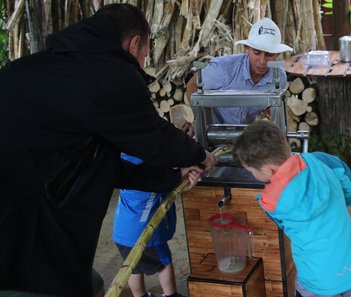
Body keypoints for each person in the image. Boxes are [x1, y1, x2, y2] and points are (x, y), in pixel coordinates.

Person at [0, 4, 217, 297]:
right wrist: (200, 155)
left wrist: (172, 174)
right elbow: (155, 136)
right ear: (135, 43)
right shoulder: (108, 74)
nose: (142, 63)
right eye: (144, 55)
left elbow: (104, 166)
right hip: (23, 211)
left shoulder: (58, 67)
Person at [232, 120, 351, 297]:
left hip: (317, 280)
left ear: (268, 170)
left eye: (251, 170)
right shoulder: (321, 160)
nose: (252, 174)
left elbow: (283, 225)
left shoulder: (270, 201)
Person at [113, 123, 194, 297]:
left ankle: (140, 296)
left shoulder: (126, 167)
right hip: (144, 236)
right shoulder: (152, 179)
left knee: (133, 268)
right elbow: (167, 175)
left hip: (121, 233)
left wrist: (178, 135)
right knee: (164, 263)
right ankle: (171, 295)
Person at [186, 18, 293, 124]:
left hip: (246, 133)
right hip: (213, 129)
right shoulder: (223, 69)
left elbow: (270, 105)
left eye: (269, 55)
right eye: (256, 52)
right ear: (247, 48)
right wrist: (201, 118)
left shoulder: (279, 77)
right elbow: (193, 84)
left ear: (277, 54)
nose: (262, 61)